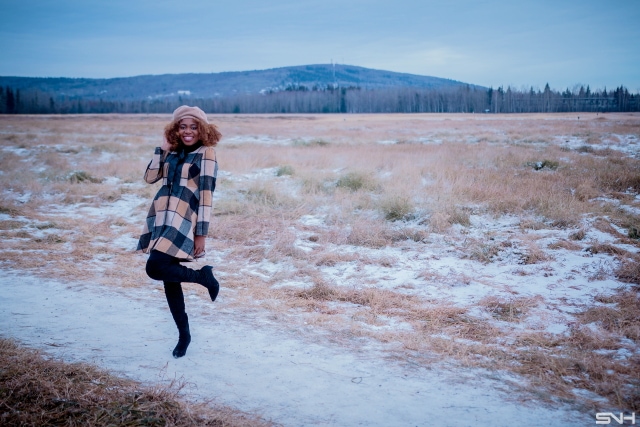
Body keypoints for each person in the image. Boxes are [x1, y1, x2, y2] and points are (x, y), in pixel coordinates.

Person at [137, 105, 221, 358]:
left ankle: (203, 276)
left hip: (184, 219)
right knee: (169, 280)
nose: (188, 132)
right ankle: (184, 335)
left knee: (155, 267)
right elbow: (150, 177)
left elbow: (206, 195)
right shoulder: (171, 152)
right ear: (175, 129)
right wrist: (161, 149)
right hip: (163, 217)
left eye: (194, 127)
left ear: (202, 130)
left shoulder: (207, 154)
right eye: (183, 126)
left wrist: (201, 234)